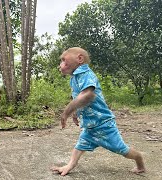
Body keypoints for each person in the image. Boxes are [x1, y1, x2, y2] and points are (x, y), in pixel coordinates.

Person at [50, 47, 146, 176]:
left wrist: (67, 111)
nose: (61, 64)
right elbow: (78, 98)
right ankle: (70, 165)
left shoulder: (86, 74)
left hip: (103, 123)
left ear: (79, 59)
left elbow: (87, 95)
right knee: (80, 145)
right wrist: (76, 112)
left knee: (121, 149)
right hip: (90, 126)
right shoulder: (75, 78)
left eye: (63, 59)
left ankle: (139, 160)